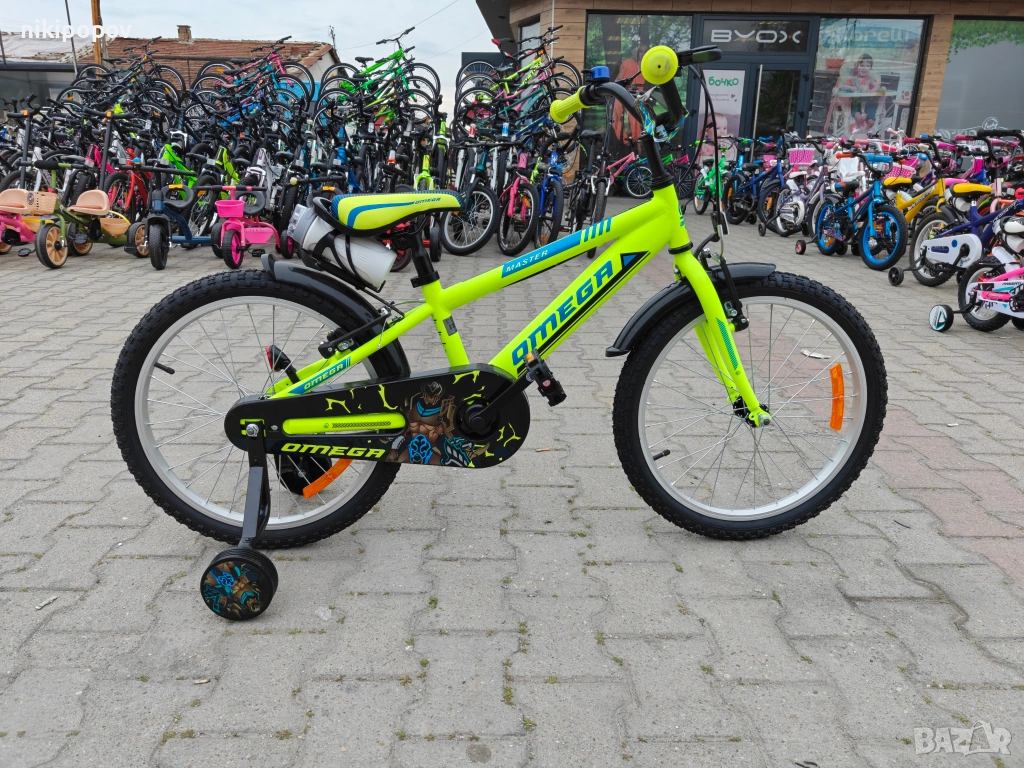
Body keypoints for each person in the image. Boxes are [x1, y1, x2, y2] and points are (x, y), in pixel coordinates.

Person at [839, 54, 880, 134]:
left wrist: (873, 90)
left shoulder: (870, 80)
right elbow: (842, 87)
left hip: (867, 101)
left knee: (872, 102)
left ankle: (870, 119)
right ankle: (858, 117)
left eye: (867, 66)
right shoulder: (853, 79)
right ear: (857, 66)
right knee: (855, 102)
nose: (864, 68)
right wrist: (851, 88)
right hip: (856, 100)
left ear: (870, 68)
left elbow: (877, 86)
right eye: (862, 65)